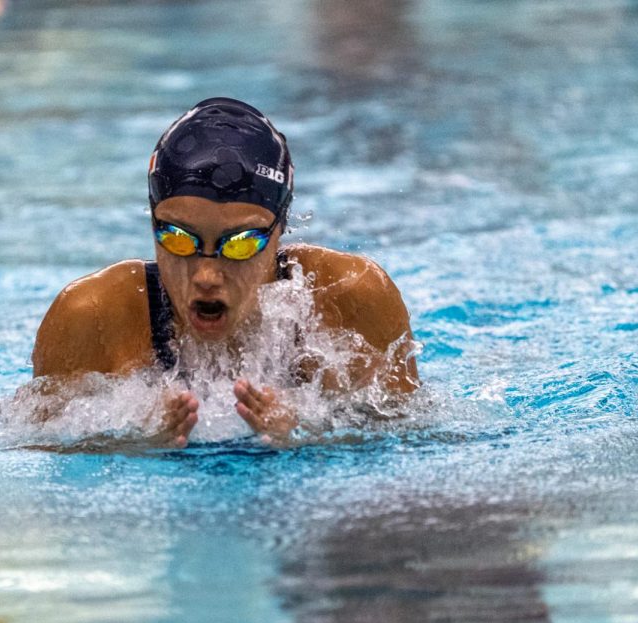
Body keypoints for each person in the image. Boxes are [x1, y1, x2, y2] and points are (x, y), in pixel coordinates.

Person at [31, 98, 417, 446]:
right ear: (152, 222)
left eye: (240, 243)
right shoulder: (92, 316)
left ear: (280, 229)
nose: (207, 275)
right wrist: (128, 441)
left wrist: (311, 433)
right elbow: (33, 453)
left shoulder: (349, 298)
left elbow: (414, 438)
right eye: (178, 238)